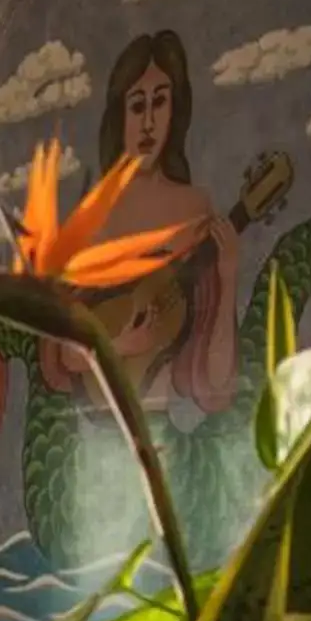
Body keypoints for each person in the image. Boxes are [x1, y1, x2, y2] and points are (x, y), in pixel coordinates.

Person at [37, 30, 242, 420]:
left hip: (168, 427)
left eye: (160, 103)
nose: (149, 122)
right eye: (137, 106)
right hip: (103, 433)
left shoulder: (194, 208)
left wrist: (228, 275)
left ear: (174, 111)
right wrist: (121, 346)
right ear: (120, 116)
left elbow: (217, 380)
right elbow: (65, 353)